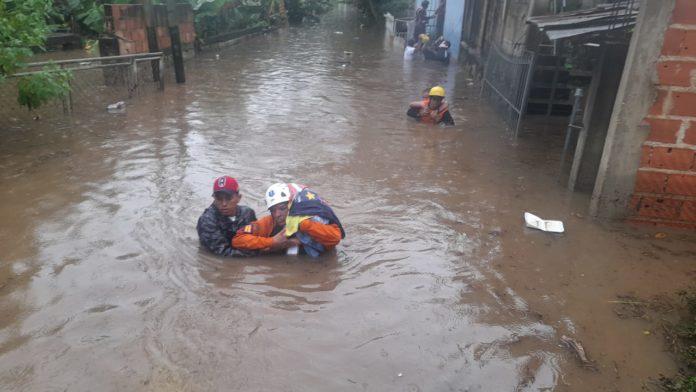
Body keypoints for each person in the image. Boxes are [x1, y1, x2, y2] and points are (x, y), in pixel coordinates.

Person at [233, 183, 344, 257]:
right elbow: (238, 240)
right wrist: (273, 241)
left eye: (282, 208)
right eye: (272, 210)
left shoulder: (311, 221)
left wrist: (303, 225)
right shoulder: (269, 222)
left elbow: (336, 238)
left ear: (292, 206)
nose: (277, 215)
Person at [197, 175, 257, 256]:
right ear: (214, 198)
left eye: (228, 198)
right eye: (219, 198)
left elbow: (255, 238)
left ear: (239, 198)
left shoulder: (247, 214)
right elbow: (221, 252)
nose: (224, 204)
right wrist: (258, 252)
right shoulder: (207, 220)